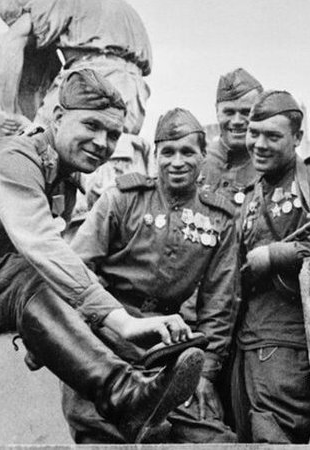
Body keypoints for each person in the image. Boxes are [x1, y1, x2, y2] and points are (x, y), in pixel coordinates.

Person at [0, 69, 201, 444]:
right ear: (57, 118)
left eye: (113, 134)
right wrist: (123, 323)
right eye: (91, 125)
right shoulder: (15, 160)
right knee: (25, 276)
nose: (102, 142)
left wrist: (54, 334)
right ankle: (122, 394)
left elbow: (60, 281)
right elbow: (41, 254)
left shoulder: (62, 185)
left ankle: (131, 391)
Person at [61, 108, 238, 444]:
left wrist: (206, 373)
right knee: (103, 435)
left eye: (187, 152)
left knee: (213, 440)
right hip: (105, 340)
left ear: (203, 155)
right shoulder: (123, 199)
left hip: (167, 349)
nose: (177, 162)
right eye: (168, 152)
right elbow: (76, 269)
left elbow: (219, 303)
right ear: (156, 156)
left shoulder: (219, 219)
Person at [231, 90, 310, 443]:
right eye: (253, 133)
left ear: (297, 138)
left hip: (288, 342)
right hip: (248, 340)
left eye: (272, 136)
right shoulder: (250, 192)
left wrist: (275, 255)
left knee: (274, 436)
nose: (259, 144)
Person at [0, 0, 152, 138]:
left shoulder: (51, 2)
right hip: (133, 90)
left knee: (36, 143)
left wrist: (5, 113)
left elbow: (8, 45)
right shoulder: (120, 8)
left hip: (89, 79)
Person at [200, 67, 310, 207]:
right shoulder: (198, 162)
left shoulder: (281, 163)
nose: (237, 121)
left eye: (246, 112)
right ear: (217, 112)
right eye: (228, 112)